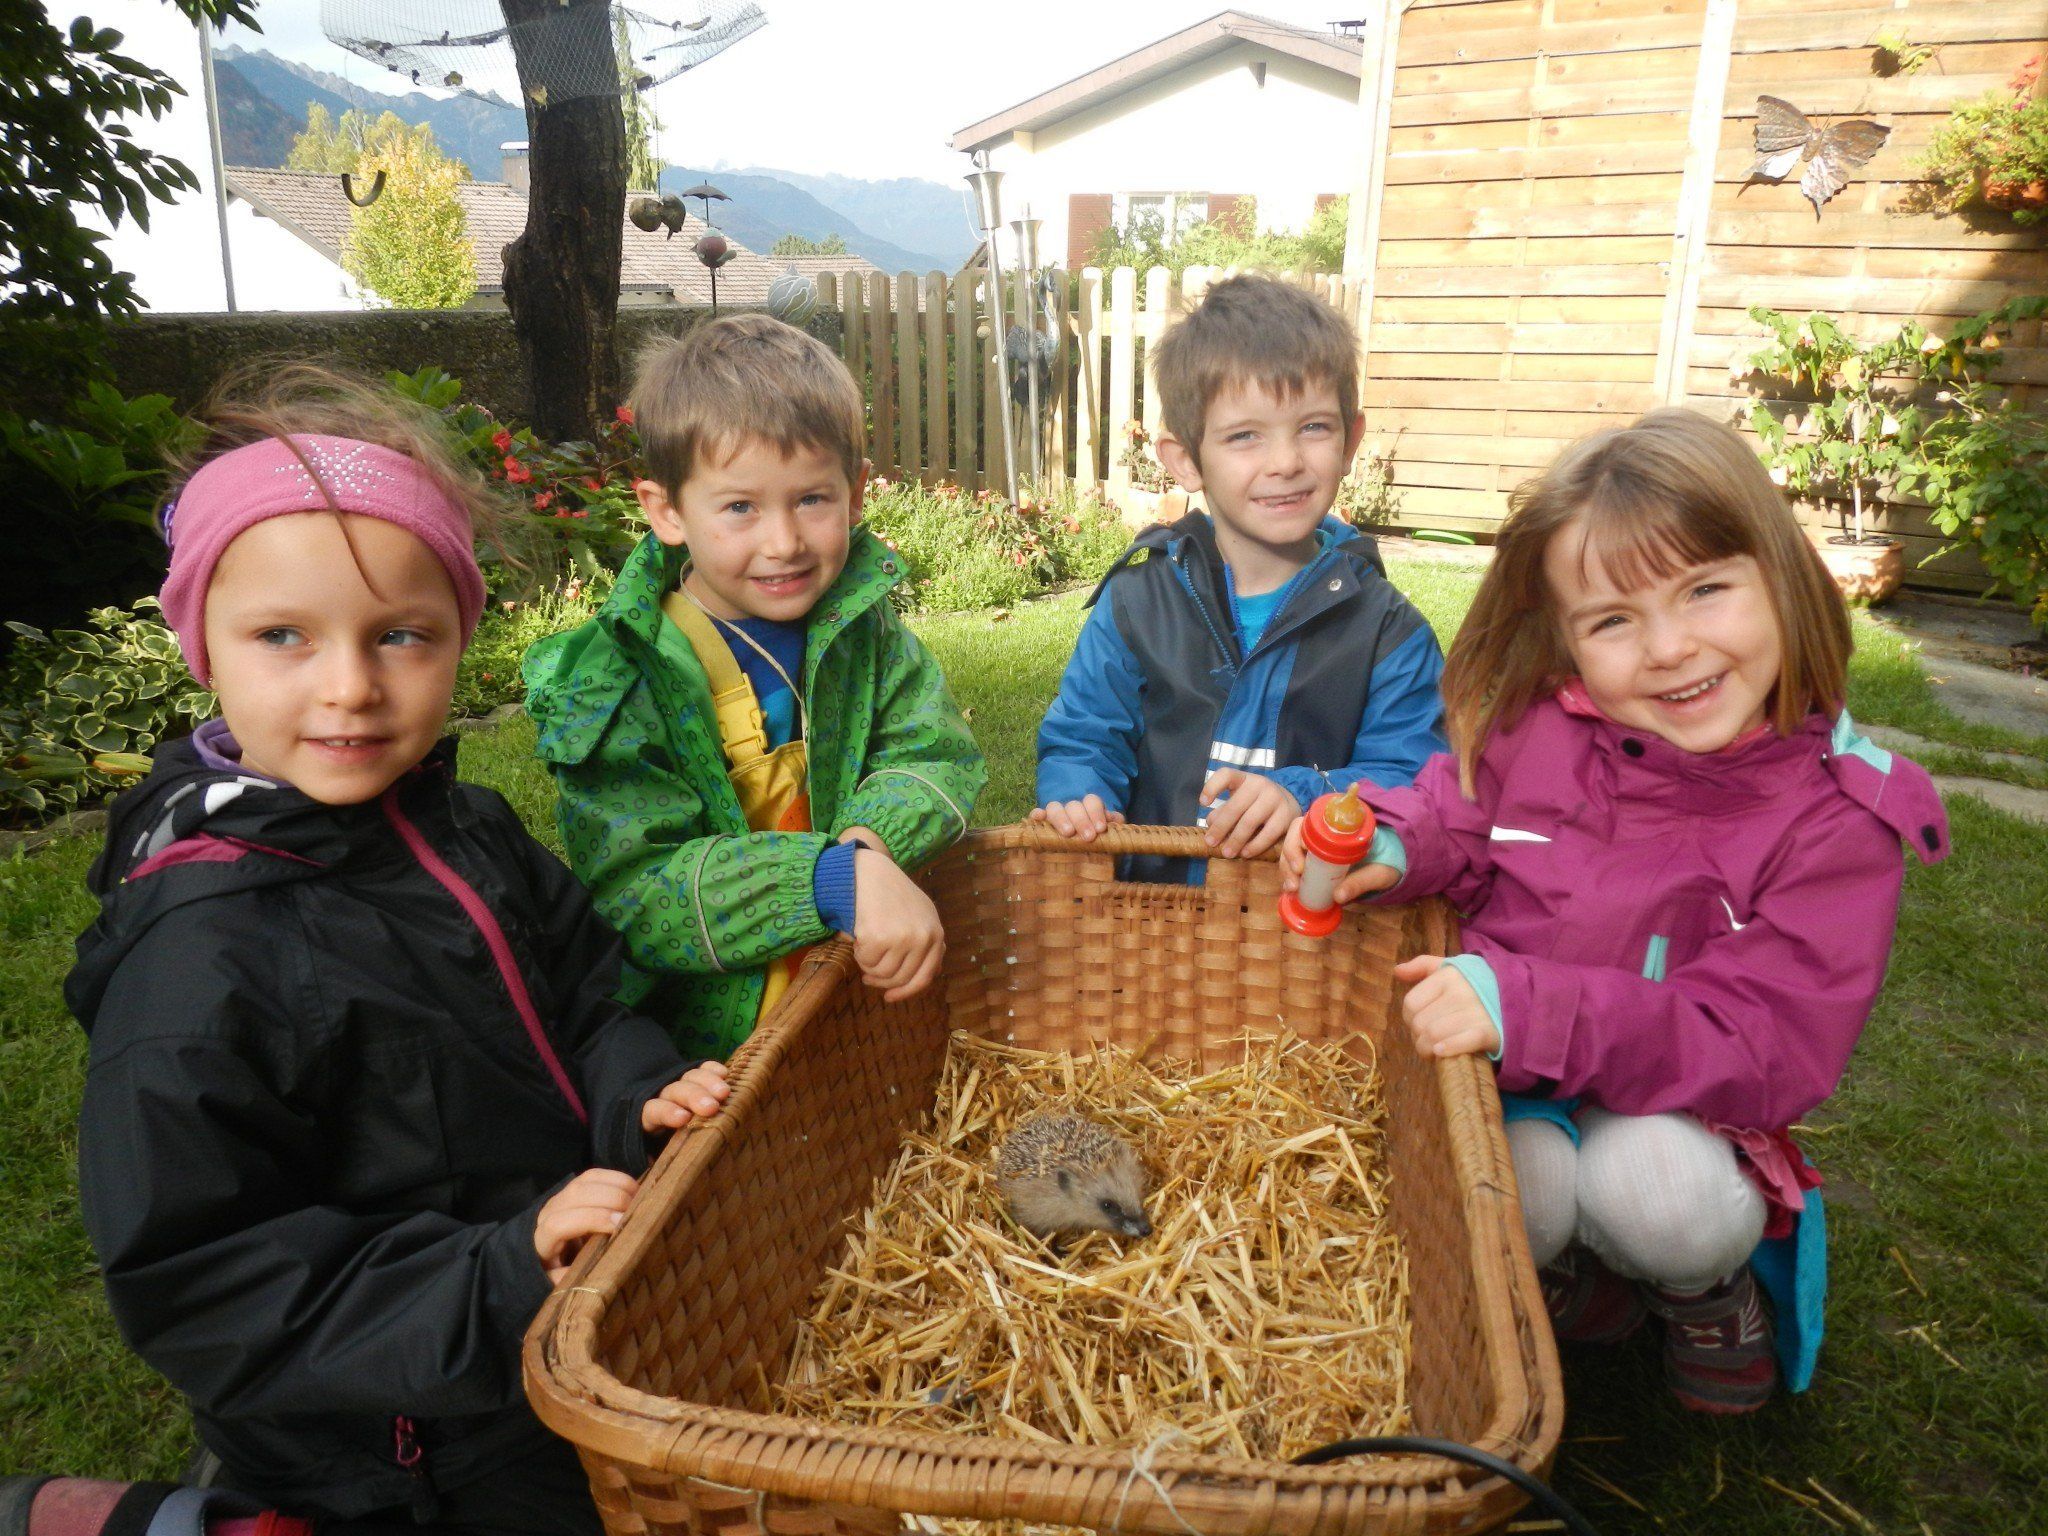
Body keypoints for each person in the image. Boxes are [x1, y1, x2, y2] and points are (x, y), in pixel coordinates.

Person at [66, 365, 730, 1533]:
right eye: (284, 635)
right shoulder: (201, 961)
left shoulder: (461, 828)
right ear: (200, 643)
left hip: (560, 1327)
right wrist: (505, 1269)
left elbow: (586, 998)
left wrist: (641, 1100)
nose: (350, 687)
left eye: (401, 636)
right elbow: (209, 1285)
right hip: (414, 1445)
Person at [1281, 408, 1950, 1412]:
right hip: (1521, 1074)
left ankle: (1699, 1288)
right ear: (1564, 641)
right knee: (1510, 1190)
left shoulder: (1837, 822)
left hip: (1682, 1108)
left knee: (1657, 1195)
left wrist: (1523, 1004)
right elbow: (1456, 815)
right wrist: (1391, 840)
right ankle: (1566, 1280)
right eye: (1611, 621)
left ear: (1781, 573)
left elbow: (1759, 1039)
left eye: (1704, 590)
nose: (1668, 648)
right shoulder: (1541, 729)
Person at [523, 316, 985, 1057]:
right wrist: (831, 879)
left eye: (812, 499)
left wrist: (868, 850)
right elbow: (637, 891)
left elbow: (935, 754)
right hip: (714, 1040)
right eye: (740, 507)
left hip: (858, 984)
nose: (784, 542)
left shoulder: (862, 628)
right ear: (666, 511)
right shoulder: (621, 679)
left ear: (857, 492)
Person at [1033, 275, 1445, 883]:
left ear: (1351, 440)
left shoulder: (1389, 634)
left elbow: (1415, 779)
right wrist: (1077, 793)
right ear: (1186, 461)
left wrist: (1307, 796)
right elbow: (1086, 733)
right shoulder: (1136, 604)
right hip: (1145, 925)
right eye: (1244, 436)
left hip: (1301, 940)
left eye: (1314, 427)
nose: (1285, 462)